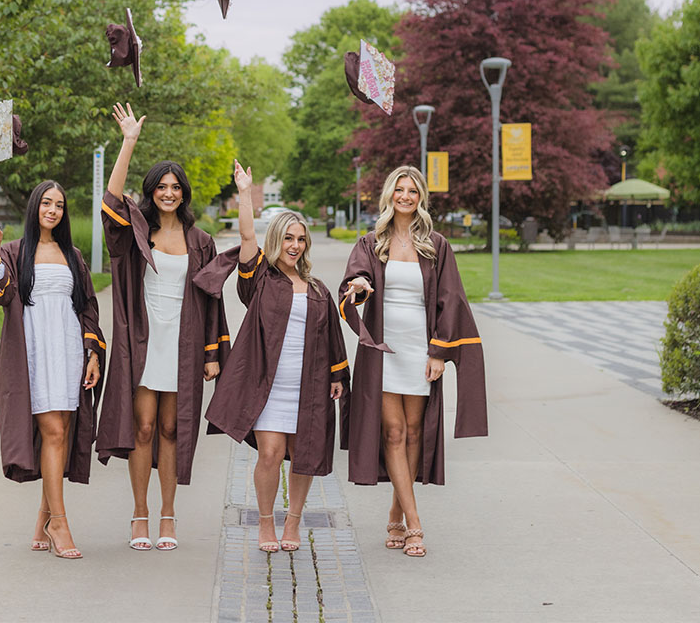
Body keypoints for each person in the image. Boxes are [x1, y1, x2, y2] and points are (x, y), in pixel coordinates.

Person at [196, 161, 349, 553]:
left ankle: (293, 522)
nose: (295, 245)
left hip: (308, 385)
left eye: (301, 239)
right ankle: (266, 523)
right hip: (268, 383)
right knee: (270, 452)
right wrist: (245, 192)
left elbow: (332, 335)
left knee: (303, 456)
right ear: (276, 241)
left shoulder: (317, 289)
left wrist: (336, 376)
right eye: (288, 238)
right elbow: (247, 237)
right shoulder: (261, 281)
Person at [98, 103, 231, 552]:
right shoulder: (134, 233)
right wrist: (128, 141)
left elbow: (213, 298)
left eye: (175, 187)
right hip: (144, 340)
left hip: (185, 342)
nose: (168, 193)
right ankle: (140, 516)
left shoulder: (201, 241)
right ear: (151, 191)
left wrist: (213, 353)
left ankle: (168, 516)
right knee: (143, 427)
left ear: (183, 193)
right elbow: (111, 202)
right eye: (161, 187)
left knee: (173, 429)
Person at [338, 165, 488, 558]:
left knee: (414, 432)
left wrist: (439, 351)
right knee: (393, 433)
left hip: (420, 349)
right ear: (389, 195)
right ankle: (415, 524)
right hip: (383, 351)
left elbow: (450, 298)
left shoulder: (435, 244)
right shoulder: (371, 243)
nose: (405, 197)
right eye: (399, 190)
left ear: (420, 198)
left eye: (412, 191)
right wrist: (359, 287)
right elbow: (353, 281)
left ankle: (395, 514)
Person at [0, 181, 105, 560]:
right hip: (34, 352)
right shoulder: (14, 252)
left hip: (69, 348)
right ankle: (60, 521)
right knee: (52, 431)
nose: (53, 210)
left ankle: (43, 516)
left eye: (59, 204)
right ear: (34, 207)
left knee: (63, 431)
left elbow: (87, 306)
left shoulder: (72, 254)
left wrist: (92, 353)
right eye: (46, 203)